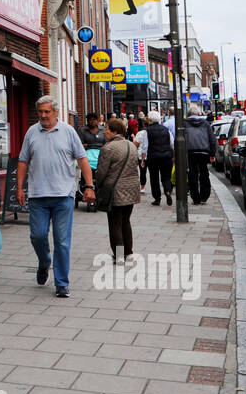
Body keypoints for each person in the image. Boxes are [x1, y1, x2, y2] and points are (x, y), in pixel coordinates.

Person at [16, 95, 94, 298]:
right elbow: (23, 161)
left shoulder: (68, 132)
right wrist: (19, 188)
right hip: (38, 195)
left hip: (63, 195)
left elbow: (83, 159)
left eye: (47, 112)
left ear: (56, 112)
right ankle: (44, 262)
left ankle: (61, 283)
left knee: (62, 241)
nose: (43, 115)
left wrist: (89, 186)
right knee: (38, 235)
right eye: (40, 112)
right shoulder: (32, 132)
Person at [95, 118, 141, 262]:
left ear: (114, 131)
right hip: (132, 189)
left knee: (115, 223)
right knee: (126, 221)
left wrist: (98, 186)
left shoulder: (108, 148)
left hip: (115, 190)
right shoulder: (132, 146)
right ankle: (129, 252)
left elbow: (101, 172)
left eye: (107, 128)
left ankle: (119, 255)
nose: (105, 131)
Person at [138, 110, 174, 206]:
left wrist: (142, 159)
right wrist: (173, 156)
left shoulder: (147, 131)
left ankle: (157, 198)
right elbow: (172, 144)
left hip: (153, 158)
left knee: (154, 178)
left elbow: (145, 147)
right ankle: (167, 191)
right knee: (166, 177)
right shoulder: (166, 129)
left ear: (149, 119)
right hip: (166, 157)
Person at [185, 104, 215, 205]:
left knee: (192, 175)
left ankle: (195, 198)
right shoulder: (205, 123)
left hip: (190, 152)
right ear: (198, 114)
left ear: (189, 114)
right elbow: (212, 139)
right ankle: (204, 196)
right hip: (203, 151)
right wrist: (212, 153)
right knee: (204, 173)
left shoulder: (185, 123)